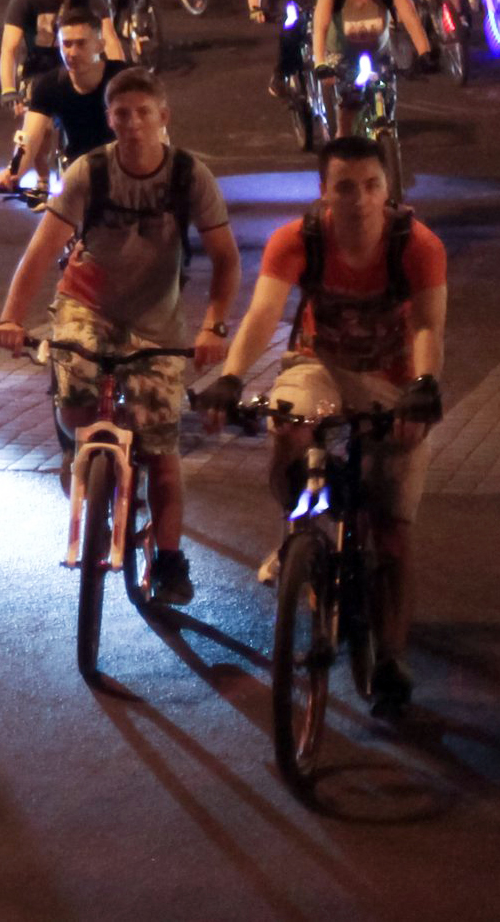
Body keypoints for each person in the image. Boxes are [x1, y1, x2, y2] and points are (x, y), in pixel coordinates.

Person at [194, 138, 445, 716]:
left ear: (388, 190)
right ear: (323, 193)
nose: (359, 200)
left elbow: (430, 327)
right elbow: (263, 313)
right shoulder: (299, 238)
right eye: (344, 187)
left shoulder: (417, 245)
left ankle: (391, 660)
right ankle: (303, 535)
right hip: (317, 365)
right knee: (289, 427)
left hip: (393, 379)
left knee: (391, 529)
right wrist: (233, 377)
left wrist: (423, 388)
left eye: (371, 186)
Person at [0, 68, 239, 607]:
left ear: (163, 118)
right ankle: (80, 456)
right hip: (89, 305)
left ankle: (170, 559)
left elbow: (226, 259)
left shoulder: (189, 177)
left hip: (157, 321)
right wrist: (12, 318)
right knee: (73, 388)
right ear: (109, 120)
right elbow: (40, 252)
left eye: (144, 113)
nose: (132, 125)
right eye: (121, 115)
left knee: (161, 448)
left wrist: (213, 326)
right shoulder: (89, 172)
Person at [313, 0, 434, 135]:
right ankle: (343, 141)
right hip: (341, 54)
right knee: (348, 107)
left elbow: (412, 20)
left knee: (387, 97)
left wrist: (424, 53)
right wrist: (320, 63)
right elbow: (320, 27)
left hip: (378, 52)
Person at [0, 10, 127, 193]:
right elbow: (29, 137)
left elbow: (153, 130)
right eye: (66, 44)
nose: (72, 52)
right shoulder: (50, 85)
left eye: (81, 43)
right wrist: (14, 172)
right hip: (79, 173)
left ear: (100, 45)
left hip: (126, 169)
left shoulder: (125, 79)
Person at [0, 0, 119, 108]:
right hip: (37, 69)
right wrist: (8, 89)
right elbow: (9, 47)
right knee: (40, 126)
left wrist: (121, 79)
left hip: (79, 65)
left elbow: (109, 38)